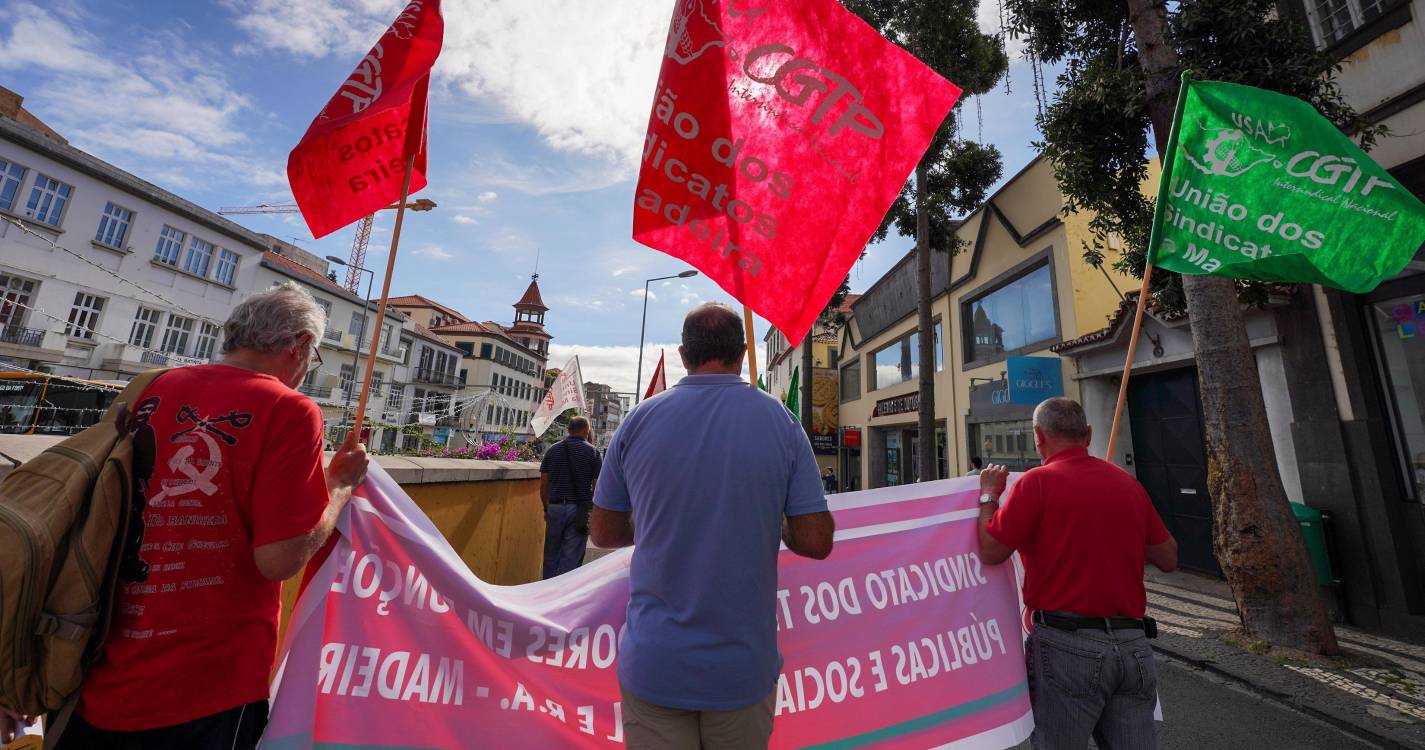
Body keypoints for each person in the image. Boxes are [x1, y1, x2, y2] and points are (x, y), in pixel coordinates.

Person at [53, 281, 369, 750]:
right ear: (300, 345)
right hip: (208, 685)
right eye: (314, 356)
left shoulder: (152, 388)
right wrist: (339, 486)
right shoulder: (290, 409)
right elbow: (279, 560)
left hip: (97, 667)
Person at [591, 302, 835, 749]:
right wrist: (771, 520)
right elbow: (816, 540)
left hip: (655, 665)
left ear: (684, 355)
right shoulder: (783, 423)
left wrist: (657, 524)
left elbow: (603, 532)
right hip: (741, 671)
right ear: (742, 354)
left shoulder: (637, 421)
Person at [975, 397, 1177, 750]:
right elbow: (1168, 557)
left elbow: (991, 551)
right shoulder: (1127, 484)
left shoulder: (1037, 483)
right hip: (1133, 645)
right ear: (1089, 434)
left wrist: (988, 496)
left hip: (1067, 644)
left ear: (1039, 436)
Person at [540, 416, 601, 578]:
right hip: (578, 510)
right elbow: (597, 487)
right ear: (586, 430)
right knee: (571, 557)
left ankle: (546, 587)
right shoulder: (593, 452)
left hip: (555, 507)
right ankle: (564, 589)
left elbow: (544, 483)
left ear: (568, 430)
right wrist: (591, 510)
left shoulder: (552, 450)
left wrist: (546, 507)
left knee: (551, 554)